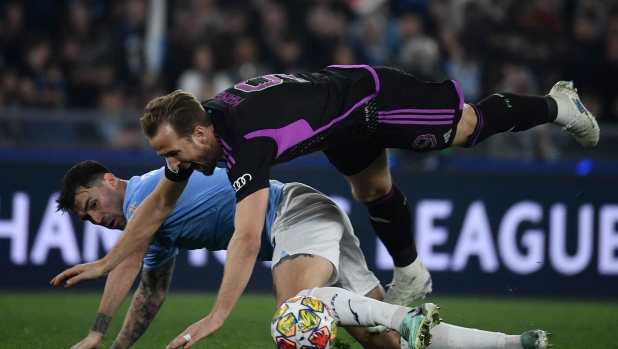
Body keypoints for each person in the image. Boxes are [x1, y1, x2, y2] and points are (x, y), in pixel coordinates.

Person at [51, 65, 593, 345]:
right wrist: (105, 262)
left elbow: (246, 237)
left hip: (372, 100)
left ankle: (557, 105)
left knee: (465, 128)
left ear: (197, 134)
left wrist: (217, 315)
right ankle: (411, 274)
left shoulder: (245, 143)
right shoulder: (199, 131)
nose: (176, 165)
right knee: (372, 190)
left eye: (175, 153)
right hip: (338, 125)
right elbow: (158, 205)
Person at [53, 160, 550, 349]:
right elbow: (150, 291)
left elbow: (127, 260)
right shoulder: (151, 228)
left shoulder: (144, 196)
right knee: (382, 346)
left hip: (295, 212)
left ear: (111, 182)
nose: (98, 219)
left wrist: (95, 333)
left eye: (93, 205)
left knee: (294, 321)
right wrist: (115, 347)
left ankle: (405, 317)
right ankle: (512, 344)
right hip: (310, 217)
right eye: (87, 218)